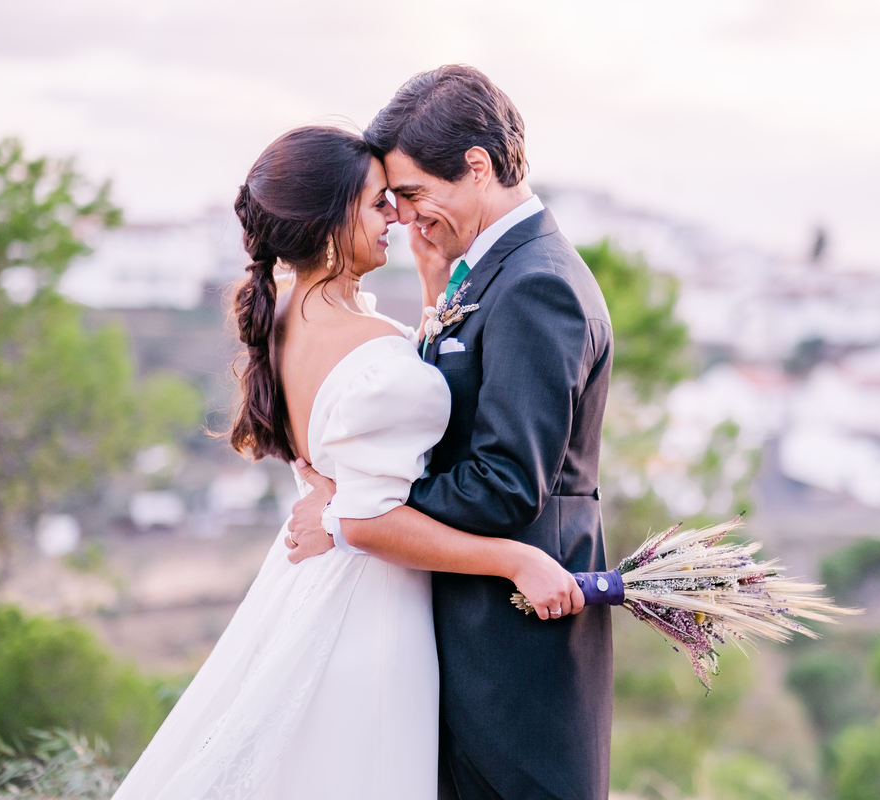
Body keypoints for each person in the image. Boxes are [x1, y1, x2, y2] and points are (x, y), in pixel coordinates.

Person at [110, 125, 583, 800]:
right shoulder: (373, 355)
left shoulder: (282, 323)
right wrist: (516, 559)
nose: (395, 214)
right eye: (375, 203)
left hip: (311, 580)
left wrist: (430, 290)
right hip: (371, 609)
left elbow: (357, 470)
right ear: (331, 222)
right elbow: (367, 521)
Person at [288, 65, 615, 800]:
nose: (401, 217)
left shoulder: (538, 283)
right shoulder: (487, 270)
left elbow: (505, 484)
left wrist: (356, 513)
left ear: (477, 167)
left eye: (410, 193)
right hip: (467, 635)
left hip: (514, 654)